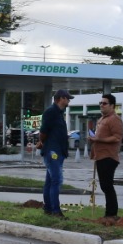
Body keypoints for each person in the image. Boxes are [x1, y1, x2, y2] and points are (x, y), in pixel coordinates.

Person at [35, 89, 71, 217]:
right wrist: (42, 141)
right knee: (56, 180)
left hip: (58, 151)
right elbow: (43, 131)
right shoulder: (51, 112)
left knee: (50, 181)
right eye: (67, 98)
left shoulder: (59, 113)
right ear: (61, 98)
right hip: (52, 151)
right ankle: (55, 210)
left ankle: (49, 208)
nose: (69, 100)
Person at [89, 93, 123, 217]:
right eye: (100, 103)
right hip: (100, 156)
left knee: (107, 185)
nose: (101, 105)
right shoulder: (102, 119)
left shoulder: (115, 119)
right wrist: (94, 139)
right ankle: (109, 213)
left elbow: (117, 137)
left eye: (104, 103)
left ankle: (111, 213)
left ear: (112, 106)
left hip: (108, 157)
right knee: (104, 185)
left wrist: (99, 139)